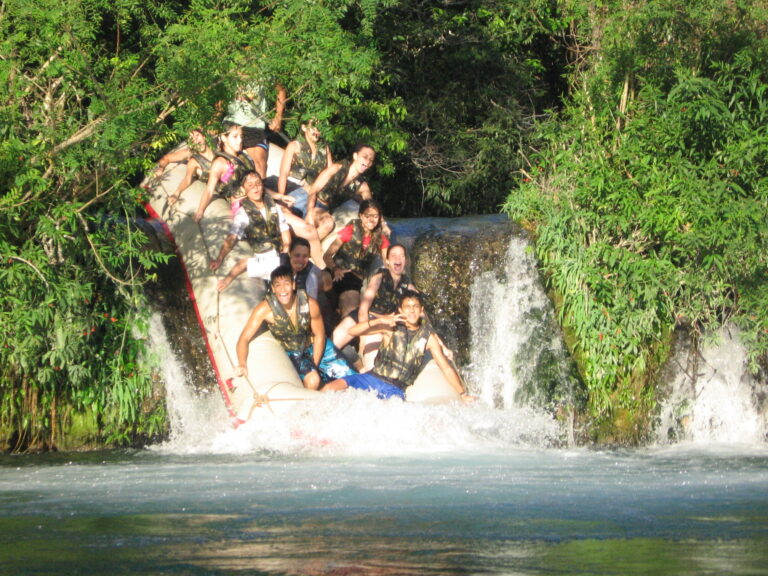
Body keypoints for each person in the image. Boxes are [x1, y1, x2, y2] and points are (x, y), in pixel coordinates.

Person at [326, 290, 472, 401]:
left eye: (415, 306)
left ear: (421, 310)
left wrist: (463, 394)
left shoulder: (429, 338)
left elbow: (446, 368)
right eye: (407, 307)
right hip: (371, 377)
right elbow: (352, 330)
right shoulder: (391, 327)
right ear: (401, 310)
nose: (412, 310)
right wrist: (379, 321)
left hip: (395, 389)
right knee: (330, 387)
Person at [234, 266, 356, 390]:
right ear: (273, 288)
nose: (283, 290)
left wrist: (315, 363)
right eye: (278, 285)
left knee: (354, 380)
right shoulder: (265, 309)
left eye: (286, 284)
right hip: (293, 352)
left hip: (314, 345)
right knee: (313, 380)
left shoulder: (309, 303)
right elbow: (244, 338)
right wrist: (242, 364)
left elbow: (319, 335)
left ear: (293, 285)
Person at [333, 243, 416, 369]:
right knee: (333, 343)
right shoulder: (379, 277)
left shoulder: (407, 285)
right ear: (387, 261)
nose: (398, 258)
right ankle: (350, 357)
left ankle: (358, 365)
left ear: (405, 260)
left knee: (371, 363)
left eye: (401, 256)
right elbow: (364, 308)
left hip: (381, 324)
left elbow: (420, 309)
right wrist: (363, 338)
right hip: (364, 316)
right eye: (394, 255)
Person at [210, 171, 291, 291]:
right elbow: (232, 238)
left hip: (281, 255)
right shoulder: (243, 213)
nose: (255, 187)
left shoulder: (274, 206)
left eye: (258, 183)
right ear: (244, 189)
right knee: (245, 264)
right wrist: (220, 258)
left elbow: (285, 232)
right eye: (250, 185)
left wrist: (285, 253)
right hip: (264, 258)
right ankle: (228, 280)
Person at [323, 199, 389, 321]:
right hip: (334, 271)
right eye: (367, 216)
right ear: (361, 216)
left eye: (375, 216)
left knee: (350, 310)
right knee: (321, 280)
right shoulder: (350, 230)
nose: (371, 220)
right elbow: (327, 255)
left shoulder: (381, 238)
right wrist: (335, 269)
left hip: (353, 280)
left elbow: (387, 261)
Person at [263, 117, 332, 218]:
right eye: (313, 128)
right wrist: (282, 197)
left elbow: (330, 172)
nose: (317, 131)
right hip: (292, 186)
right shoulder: (295, 145)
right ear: (304, 127)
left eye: (319, 128)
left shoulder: (324, 148)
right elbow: (284, 172)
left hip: (312, 190)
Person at [305, 144, 376, 239]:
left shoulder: (362, 185)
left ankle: (304, 248)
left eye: (371, 160)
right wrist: (310, 212)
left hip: (322, 208)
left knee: (327, 224)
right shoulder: (337, 168)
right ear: (355, 156)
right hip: (308, 198)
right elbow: (314, 190)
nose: (367, 161)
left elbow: (371, 207)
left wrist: (383, 224)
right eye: (365, 157)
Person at [223, 80, 286, 179]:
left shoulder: (263, 72)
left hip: (255, 126)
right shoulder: (228, 70)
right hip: (233, 122)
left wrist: (278, 117)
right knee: (229, 161)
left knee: (260, 165)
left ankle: (260, 189)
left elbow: (281, 90)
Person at [194, 124, 255, 222]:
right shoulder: (219, 163)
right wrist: (200, 211)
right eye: (235, 136)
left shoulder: (243, 156)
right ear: (224, 138)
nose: (240, 140)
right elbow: (209, 190)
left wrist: (279, 196)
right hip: (243, 205)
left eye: (241, 136)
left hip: (258, 197)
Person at [164, 129, 215, 207]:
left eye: (197, 135)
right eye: (192, 139)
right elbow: (187, 180)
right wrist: (176, 193)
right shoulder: (193, 161)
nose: (195, 139)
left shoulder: (216, 147)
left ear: (204, 136)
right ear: (190, 144)